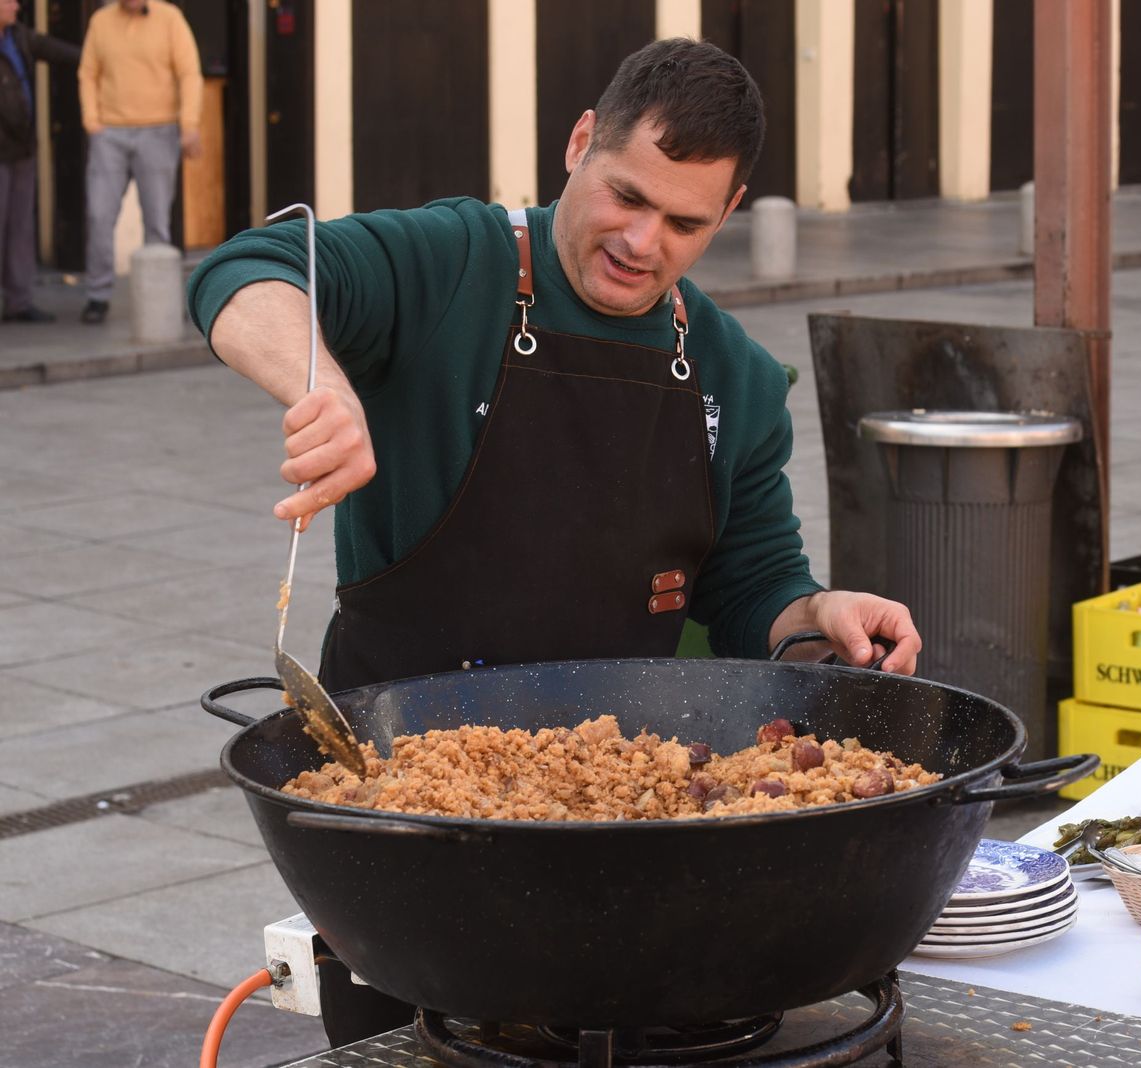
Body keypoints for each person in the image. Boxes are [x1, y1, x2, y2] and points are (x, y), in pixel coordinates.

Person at [187, 38, 922, 1044]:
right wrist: (320, 382)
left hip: (613, 845)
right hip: (399, 819)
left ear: (730, 212)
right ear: (580, 141)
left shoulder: (734, 377)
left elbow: (755, 590)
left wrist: (820, 613)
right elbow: (247, 270)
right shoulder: (453, 262)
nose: (642, 240)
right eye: (625, 195)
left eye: (683, 222)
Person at [78, 0, 201, 324]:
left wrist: (189, 125)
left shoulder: (170, 18)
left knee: (157, 222)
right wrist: (93, 122)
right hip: (110, 134)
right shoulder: (101, 21)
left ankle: (160, 300)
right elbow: (88, 73)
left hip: (159, 131)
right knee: (99, 214)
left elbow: (189, 73)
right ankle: (98, 295)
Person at [0, 0, 79, 322]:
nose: (16, 6)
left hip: (22, 148)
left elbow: (57, 50)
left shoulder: (18, 36)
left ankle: (19, 301)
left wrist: (99, 58)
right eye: (9, 1)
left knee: (21, 228)